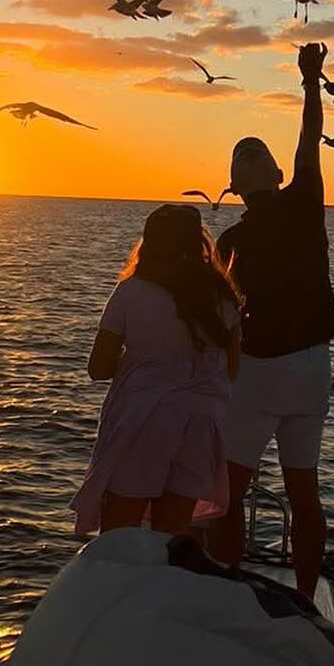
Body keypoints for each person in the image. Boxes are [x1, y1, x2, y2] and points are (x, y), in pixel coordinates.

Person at [205, 41, 334, 598]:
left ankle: (228, 589)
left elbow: (219, 320)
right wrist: (311, 78)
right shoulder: (306, 197)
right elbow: (310, 133)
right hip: (313, 367)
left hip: (260, 372)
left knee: (229, 492)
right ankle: (307, 599)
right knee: (304, 493)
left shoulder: (231, 241)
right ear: (279, 173)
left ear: (235, 189)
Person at [74, 203, 241, 536]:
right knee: (172, 536)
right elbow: (232, 369)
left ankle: (119, 588)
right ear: (199, 243)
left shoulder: (131, 292)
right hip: (200, 421)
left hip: (144, 419)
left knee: (119, 533)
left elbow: (99, 368)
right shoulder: (223, 297)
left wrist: (142, 362)